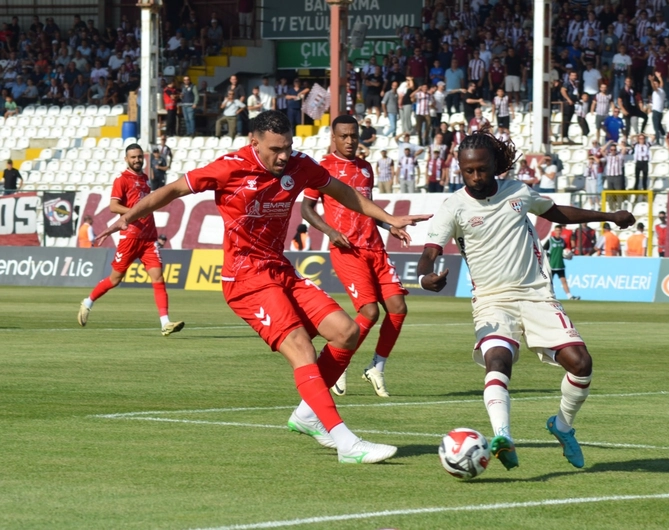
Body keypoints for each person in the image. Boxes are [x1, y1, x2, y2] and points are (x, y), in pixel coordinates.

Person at [97, 111, 429, 463]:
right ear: (254, 142)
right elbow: (173, 190)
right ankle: (345, 441)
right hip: (245, 279)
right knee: (300, 347)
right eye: (275, 149)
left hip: (280, 268)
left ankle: (305, 415)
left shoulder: (299, 165)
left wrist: (388, 219)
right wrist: (129, 216)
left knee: (346, 332)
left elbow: (341, 190)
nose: (283, 156)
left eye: (288, 147)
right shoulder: (228, 167)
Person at [418, 129, 634, 471]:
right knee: (499, 360)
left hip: (536, 296)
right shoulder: (454, 207)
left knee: (581, 364)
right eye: (468, 171)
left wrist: (608, 217)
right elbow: (430, 251)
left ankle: (562, 425)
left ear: (494, 166)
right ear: (460, 169)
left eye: (482, 169)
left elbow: (557, 213)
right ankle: (503, 436)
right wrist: (424, 276)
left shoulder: (518, 192)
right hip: (491, 300)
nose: (476, 177)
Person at [301, 114, 417, 398]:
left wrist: (390, 225)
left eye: (354, 135)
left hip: (375, 246)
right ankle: (337, 366)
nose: (350, 141)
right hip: (347, 250)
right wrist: (329, 231)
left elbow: (366, 207)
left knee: (398, 307)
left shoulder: (366, 168)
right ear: (333, 137)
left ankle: (376, 367)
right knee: (370, 312)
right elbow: (306, 209)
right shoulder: (321, 168)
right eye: (344, 136)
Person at [77, 144, 184, 336]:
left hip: (148, 237)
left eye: (139, 157)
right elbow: (113, 206)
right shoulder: (122, 179)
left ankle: (165, 323)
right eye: (133, 157)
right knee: (115, 279)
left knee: (158, 277)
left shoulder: (144, 180)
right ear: (126, 159)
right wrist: (135, 213)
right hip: (130, 237)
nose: (137, 160)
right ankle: (88, 301)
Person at [543, 225, 580, 300]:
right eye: (556, 230)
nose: (558, 232)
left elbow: (563, 253)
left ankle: (570, 296)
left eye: (559, 230)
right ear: (554, 231)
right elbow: (543, 250)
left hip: (560, 265)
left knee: (564, 281)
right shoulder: (550, 241)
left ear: (561, 231)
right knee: (549, 282)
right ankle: (546, 296)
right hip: (552, 265)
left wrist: (568, 256)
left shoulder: (562, 241)